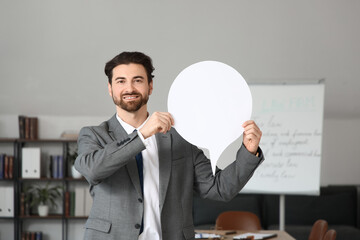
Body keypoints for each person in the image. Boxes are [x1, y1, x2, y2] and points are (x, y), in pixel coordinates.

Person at [75, 51, 264, 240]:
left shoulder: (181, 137)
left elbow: (219, 189)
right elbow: (92, 170)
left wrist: (249, 151)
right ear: (110, 88)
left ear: (150, 87)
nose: (129, 88)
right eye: (121, 81)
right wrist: (142, 135)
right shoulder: (93, 135)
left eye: (138, 80)